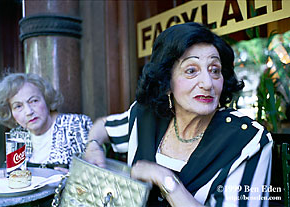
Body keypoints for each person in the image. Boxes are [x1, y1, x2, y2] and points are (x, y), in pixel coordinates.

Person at [84, 22, 272, 207]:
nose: (207, 83)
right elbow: (103, 126)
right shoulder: (145, 117)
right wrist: (93, 146)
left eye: (215, 70)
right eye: (191, 71)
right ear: (166, 81)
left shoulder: (246, 140)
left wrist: (164, 179)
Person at [0, 73, 93, 170]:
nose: (29, 112)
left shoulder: (76, 125)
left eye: (34, 101)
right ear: (11, 113)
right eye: (18, 106)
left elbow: (92, 173)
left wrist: (70, 178)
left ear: (46, 99)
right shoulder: (17, 135)